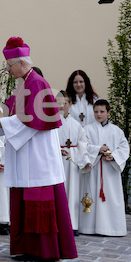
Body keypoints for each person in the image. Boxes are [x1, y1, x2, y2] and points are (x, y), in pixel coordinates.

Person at [0, 36, 77, 262]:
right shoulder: (24, 84)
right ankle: (28, 248)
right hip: (26, 152)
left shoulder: (36, 82)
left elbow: (34, 118)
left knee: (38, 201)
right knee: (24, 202)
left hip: (38, 155)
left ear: (21, 62)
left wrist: (2, 124)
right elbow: (14, 114)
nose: (7, 70)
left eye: (9, 65)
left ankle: (44, 253)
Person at [79, 99, 129, 236]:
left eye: (102, 111)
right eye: (96, 112)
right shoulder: (87, 129)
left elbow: (124, 148)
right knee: (92, 195)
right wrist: (97, 149)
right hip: (94, 170)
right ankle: (90, 228)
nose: (99, 114)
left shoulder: (116, 131)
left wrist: (113, 156)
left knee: (111, 197)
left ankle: (112, 228)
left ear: (108, 113)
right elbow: (83, 145)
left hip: (110, 171)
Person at [56, 91, 89, 235]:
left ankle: (72, 224)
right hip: (56, 162)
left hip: (73, 162)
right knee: (59, 192)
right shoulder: (51, 123)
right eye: (59, 103)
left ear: (70, 104)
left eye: (65, 103)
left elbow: (83, 143)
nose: (62, 106)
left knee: (73, 192)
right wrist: (57, 150)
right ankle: (57, 224)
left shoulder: (76, 125)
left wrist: (85, 160)